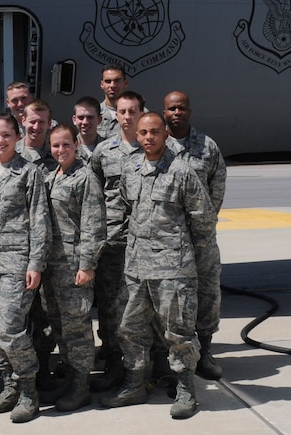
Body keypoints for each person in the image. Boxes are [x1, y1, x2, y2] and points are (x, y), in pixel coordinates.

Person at [99, 112, 216, 419]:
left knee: (179, 332)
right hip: (137, 268)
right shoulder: (131, 169)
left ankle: (186, 389)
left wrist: (190, 258)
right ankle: (135, 383)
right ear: (136, 136)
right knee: (131, 329)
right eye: (143, 132)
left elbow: (203, 220)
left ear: (165, 135)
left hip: (173, 269)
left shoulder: (182, 171)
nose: (149, 137)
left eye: (154, 132)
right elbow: (124, 210)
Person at [0, 114, 51, 423]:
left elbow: (39, 219)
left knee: (11, 329)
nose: (0, 140)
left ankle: (29, 389)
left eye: (6, 135)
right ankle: (8, 385)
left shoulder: (30, 173)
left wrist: (35, 263)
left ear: (17, 137)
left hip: (16, 261)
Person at [163, 90, 227, 380]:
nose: (177, 113)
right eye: (172, 108)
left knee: (207, 294)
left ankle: (205, 352)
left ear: (190, 111)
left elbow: (217, 187)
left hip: (201, 239)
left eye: (182, 108)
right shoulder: (155, 144)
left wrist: (205, 225)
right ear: (165, 112)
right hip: (167, 241)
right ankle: (168, 357)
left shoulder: (207, 146)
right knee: (171, 301)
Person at [41, 124, 105, 411]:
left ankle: (81, 387)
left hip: (74, 267)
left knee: (77, 328)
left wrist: (88, 265)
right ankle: (69, 379)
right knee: (60, 327)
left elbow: (94, 224)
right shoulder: (51, 176)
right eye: (56, 146)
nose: (61, 150)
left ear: (76, 144)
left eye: (66, 145)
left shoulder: (85, 177)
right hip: (52, 268)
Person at [88, 90, 144, 392]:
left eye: (132, 111)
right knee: (109, 308)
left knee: (142, 307)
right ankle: (112, 363)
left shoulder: (155, 148)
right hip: (112, 243)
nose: (127, 117)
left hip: (144, 243)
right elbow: (94, 198)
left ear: (140, 112)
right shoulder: (103, 152)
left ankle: (143, 367)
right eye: (122, 112)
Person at [18, 99, 58, 171]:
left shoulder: (57, 155)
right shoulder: (10, 152)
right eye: (32, 122)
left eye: (41, 122)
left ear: (49, 124)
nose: (36, 127)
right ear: (23, 121)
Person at [97, 66, 129, 141]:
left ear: (125, 83)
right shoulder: (93, 114)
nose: (112, 85)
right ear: (102, 84)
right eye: (108, 81)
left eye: (117, 81)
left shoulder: (139, 114)